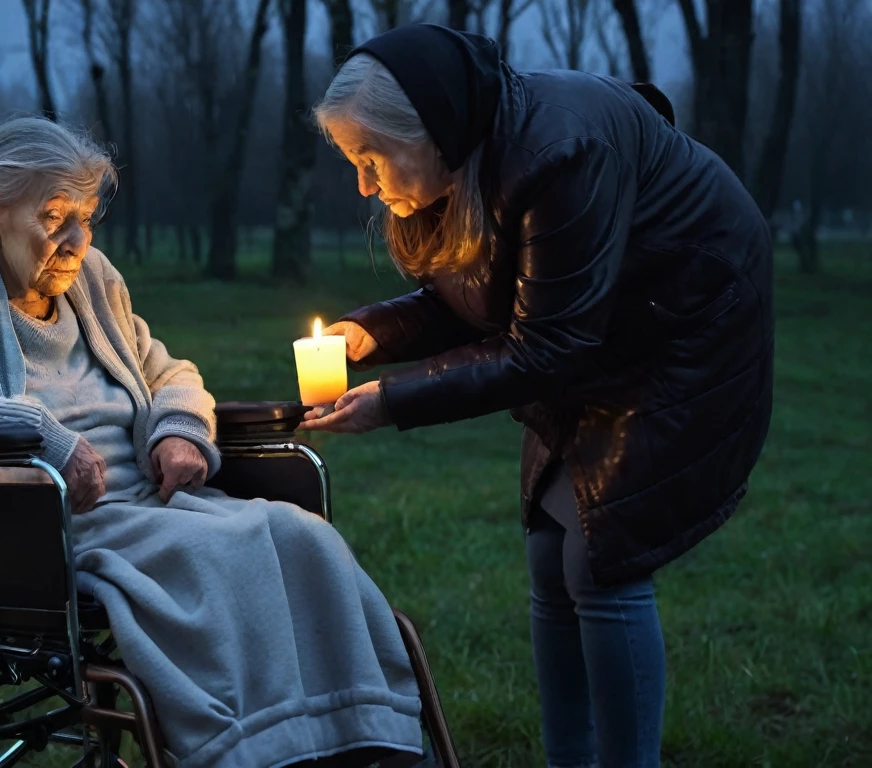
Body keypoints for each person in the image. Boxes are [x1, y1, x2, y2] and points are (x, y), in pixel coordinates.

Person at [0, 116, 425, 768]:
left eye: (86, 217)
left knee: (300, 535)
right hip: (44, 531)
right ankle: (260, 747)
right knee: (223, 554)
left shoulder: (95, 280)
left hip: (149, 503)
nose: (78, 241)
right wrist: (37, 433)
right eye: (56, 217)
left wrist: (180, 427)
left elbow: (170, 372)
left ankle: (355, 733)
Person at [301, 23, 773, 768]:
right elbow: (470, 299)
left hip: (684, 322)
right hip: (592, 333)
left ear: (433, 131)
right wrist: (368, 335)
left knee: (601, 558)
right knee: (551, 556)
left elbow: (548, 345)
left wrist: (393, 400)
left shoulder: (559, 153)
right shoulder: (460, 163)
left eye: (371, 157)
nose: (364, 183)